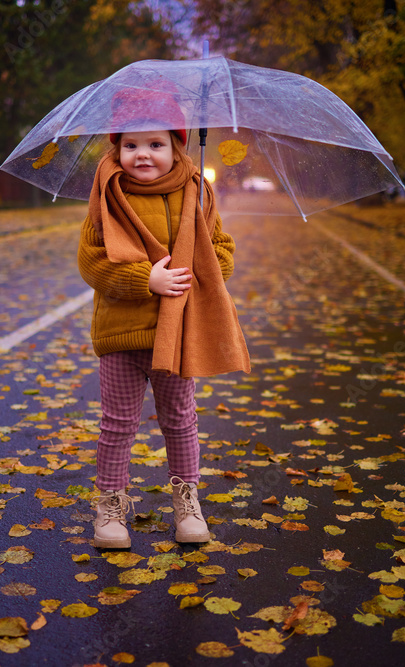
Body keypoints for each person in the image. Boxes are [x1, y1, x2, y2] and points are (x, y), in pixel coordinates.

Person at [77, 85, 251, 549]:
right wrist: (144, 281)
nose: (142, 155)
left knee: (180, 418)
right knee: (118, 423)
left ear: (177, 146)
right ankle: (110, 507)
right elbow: (92, 260)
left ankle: (186, 500)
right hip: (122, 332)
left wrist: (205, 268)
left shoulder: (197, 193)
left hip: (178, 334)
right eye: (130, 145)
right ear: (116, 148)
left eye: (156, 144)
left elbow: (222, 249)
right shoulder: (109, 195)